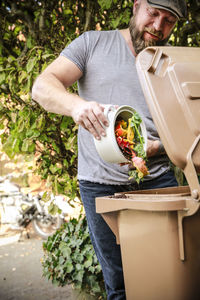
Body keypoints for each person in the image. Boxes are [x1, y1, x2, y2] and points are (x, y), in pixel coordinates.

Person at [32, 0, 187, 299]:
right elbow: (42, 86)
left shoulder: (173, 63)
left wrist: (158, 149)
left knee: (170, 276)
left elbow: (187, 131)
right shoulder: (92, 43)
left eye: (169, 21)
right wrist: (78, 107)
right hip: (99, 188)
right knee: (119, 283)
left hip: (158, 181)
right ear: (137, 5)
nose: (158, 27)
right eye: (153, 14)